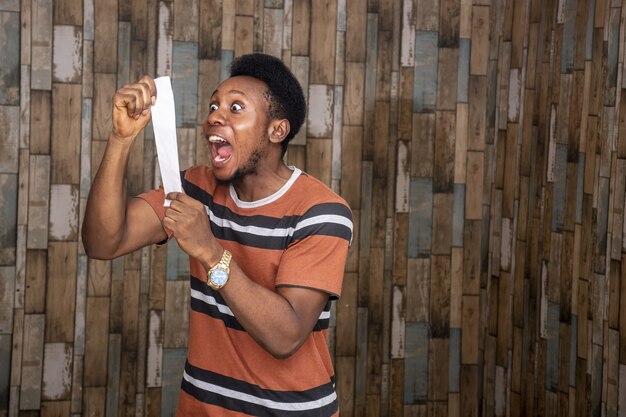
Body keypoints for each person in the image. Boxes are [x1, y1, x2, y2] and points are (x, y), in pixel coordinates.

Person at [82, 53, 353, 416]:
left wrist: (210, 252)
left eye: (236, 107)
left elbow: (285, 336)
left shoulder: (322, 211)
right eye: (214, 104)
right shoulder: (196, 188)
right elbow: (103, 242)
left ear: (277, 130)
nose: (214, 115)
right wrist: (120, 138)